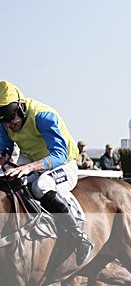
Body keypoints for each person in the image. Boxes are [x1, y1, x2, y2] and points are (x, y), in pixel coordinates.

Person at [0, 80, 93, 264]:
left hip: (62, 164)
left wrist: (28, 167)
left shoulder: (43, 116)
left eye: (11, 120)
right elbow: (5, 149)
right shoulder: (4, 121)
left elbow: (59, 154)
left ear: (22, 107)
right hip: (32, 160)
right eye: (3, 122)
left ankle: (79, 237)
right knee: (10, 184)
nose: (9, 126)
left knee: (41, 185)